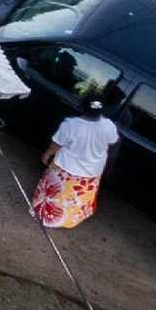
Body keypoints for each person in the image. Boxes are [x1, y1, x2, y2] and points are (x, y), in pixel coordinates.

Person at [32, 97, 122, 230]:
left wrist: (47, 154)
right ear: (102, 110)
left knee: (53, 193)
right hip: (91, 173)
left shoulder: (70, 125)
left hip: (64, 167)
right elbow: (113, 142)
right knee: (73, 199)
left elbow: (56, 144)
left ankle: (43, 214)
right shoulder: (109, 126)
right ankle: (65, 221)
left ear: (82, 108)